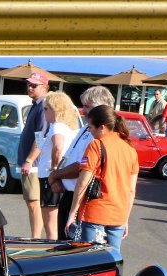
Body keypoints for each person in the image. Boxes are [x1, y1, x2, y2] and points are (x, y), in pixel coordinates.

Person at [64, 105, 139, 254]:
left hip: (95, 213)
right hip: (118, 215)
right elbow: (131, 190)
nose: (90, 131)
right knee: (112, 261)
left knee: (90, 261)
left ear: (102, 128)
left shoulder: (96, 145)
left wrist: (72, 212)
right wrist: (125, 219)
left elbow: (83, 182)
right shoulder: (130, 150)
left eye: (91, 127)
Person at [47, 85, 115, 240]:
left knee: (72, 249)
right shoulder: (86, 128)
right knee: (63, 245)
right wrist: (58, 176)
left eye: (87, 106)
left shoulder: (98, 133)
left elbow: (82, 166)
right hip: (70, 194)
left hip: (82, 199)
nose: (82, 110)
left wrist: (55, 174)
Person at [21, 91, 78, 239]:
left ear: (55, 110)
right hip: (60, 179)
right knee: (58, 223)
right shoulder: (69, 128)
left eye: (46, 109)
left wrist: (54, 169)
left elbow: (58, 147)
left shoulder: (57, 126)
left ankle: (51, 256)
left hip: (49, 178)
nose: (44, 112)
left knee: (51, 226)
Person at [18, 72, 50, 235]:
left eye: (34, 85)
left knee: (33, 202)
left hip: (35, 165)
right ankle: (34, 237)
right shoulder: (36, 105)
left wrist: (29, 159)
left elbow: (41, 137)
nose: (30, 87)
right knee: (32, 202)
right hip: (33, 164)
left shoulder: (43, 106)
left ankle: (35, 238)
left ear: (45, 87)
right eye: (29, 84)